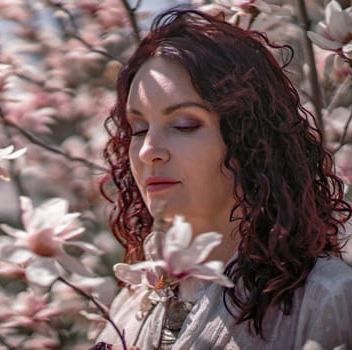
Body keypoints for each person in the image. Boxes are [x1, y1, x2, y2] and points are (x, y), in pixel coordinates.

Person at [96, 8, 352, 350]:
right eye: (138, 129)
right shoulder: (133, 300)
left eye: (185, 124)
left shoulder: (327, 298)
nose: (148, 151)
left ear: (250, 138)